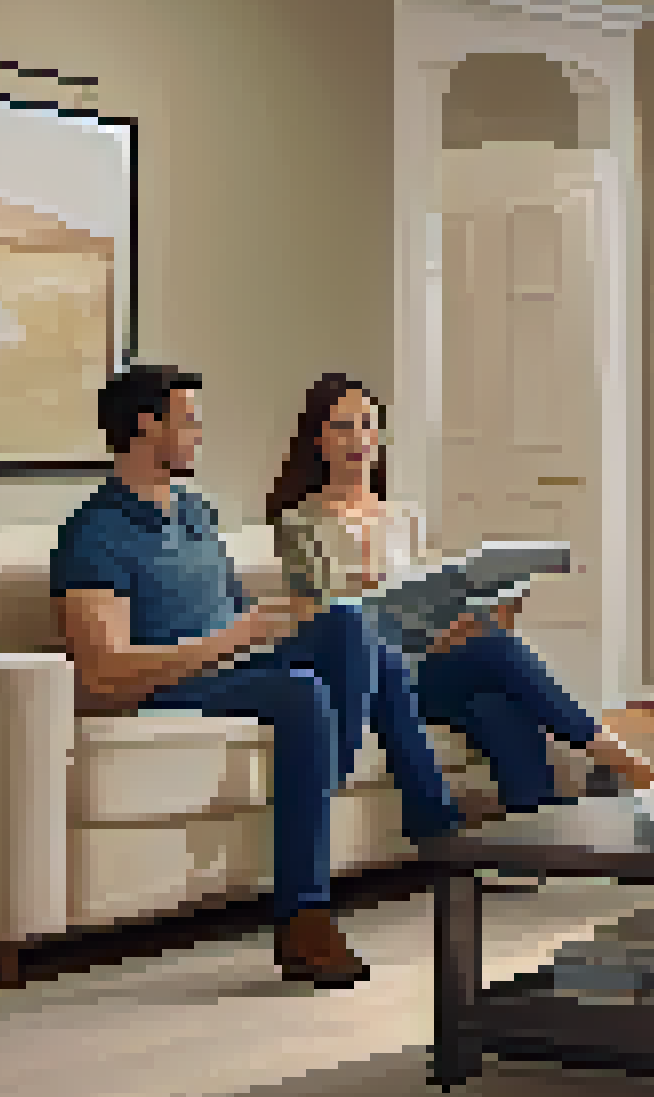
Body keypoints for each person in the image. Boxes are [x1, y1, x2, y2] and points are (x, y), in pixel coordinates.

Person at [51, 364, 482, 990]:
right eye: (188, 421)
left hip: (237, 663)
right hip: (172, 685)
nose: (199, 433)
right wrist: (232, 640)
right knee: (303, 691)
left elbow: (234, 612)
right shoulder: (94, 534)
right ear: (147, 426)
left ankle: (383, 816)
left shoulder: (196, 511)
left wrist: (281, 623)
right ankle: (305, 915)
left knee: (352, 628)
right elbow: (104, 672)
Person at [265, 373, 654, 814]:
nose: (357, 437)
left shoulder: (404, 517)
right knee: (498, 654)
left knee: (496, 706)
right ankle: (616, 756)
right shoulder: (300, 523)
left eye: (366, 424)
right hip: (379, 676)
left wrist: (474, 616)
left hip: (432, 663)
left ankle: (534, 845)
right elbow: (308, 620)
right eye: (343, 426)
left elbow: (427, 601)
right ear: (319, 439)